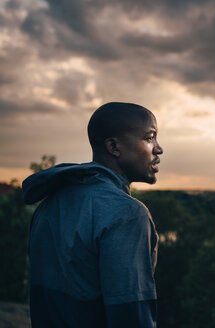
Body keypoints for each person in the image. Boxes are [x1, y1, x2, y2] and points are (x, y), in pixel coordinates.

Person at [22, 102, 163, 327]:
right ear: (114, 147)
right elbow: (129, 314)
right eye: (149, 137)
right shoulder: (127, 214)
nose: (158, 149)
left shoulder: (52, 202)